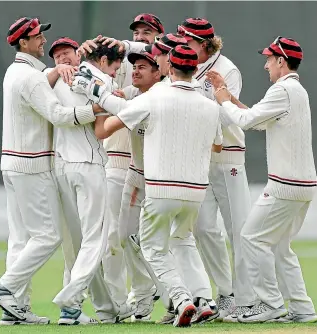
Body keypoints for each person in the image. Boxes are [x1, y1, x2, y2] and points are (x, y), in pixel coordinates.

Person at [75, 45, 222, 327]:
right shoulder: (209, 104)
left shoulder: (156, 97)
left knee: (152, 247)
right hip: (195, 191)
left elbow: (113, 120)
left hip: (160, 187)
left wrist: (95, 92)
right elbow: (216, 145)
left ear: (168, 69)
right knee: (183, 241)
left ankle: (181, 299)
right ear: (194, 69)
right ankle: (205, 300)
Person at [0, 17, 102, 325]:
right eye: (38, 37)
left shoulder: (17, 70)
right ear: (23, 43)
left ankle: (16, 311)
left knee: (21, 239)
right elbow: (56, 114)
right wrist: (93, 109)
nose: (43, 41)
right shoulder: (30, 78)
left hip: (13, 165)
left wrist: (64, 63)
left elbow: (46, 78)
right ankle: (5, 288)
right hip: (32, 165)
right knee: (47, 236)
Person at [207, 36, 317, 323]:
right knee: (279, 247)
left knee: (251, 237)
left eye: (269, 59)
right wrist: (228, 96)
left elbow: (244, 122)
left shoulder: (283, 90)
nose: (266, 65)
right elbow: (256, 118)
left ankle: (270, 304)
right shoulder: (294, 90)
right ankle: (302, 308)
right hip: (301, 184)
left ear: (282, 61)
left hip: (285, 184)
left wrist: (221, 100)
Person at [78, 13, 165, 307]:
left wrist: (105, 101)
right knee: (118, 238)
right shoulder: (127, 73)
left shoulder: (159, 86)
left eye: (147, 32)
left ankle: (152, 295)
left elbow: (136, 54)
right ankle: (131, 298)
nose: (141, 36)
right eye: (136, 32)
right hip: (116, 166)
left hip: (147, 171)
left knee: (141, 238)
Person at [47, 38, 136, 325]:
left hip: (61, 166)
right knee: (95, 239)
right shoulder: (101, 81)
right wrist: (115, 104)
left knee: (78, 243)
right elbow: (101, 131)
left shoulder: (61, 76)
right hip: (89, 166)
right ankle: (70, 296)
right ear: (102, 61)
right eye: (114, 66)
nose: (114, 73)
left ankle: (102, 310)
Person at [177, 17, 256, 321]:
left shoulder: (228, 70)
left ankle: (249, 299)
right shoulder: (185, 67)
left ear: (205, 44)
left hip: (229, 159)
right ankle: (226, 295)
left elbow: (228, 116)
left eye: (189, 42)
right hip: (199, 161)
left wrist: (191, 112)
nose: (184, 46)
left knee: (239, 230)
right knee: (204, 229)